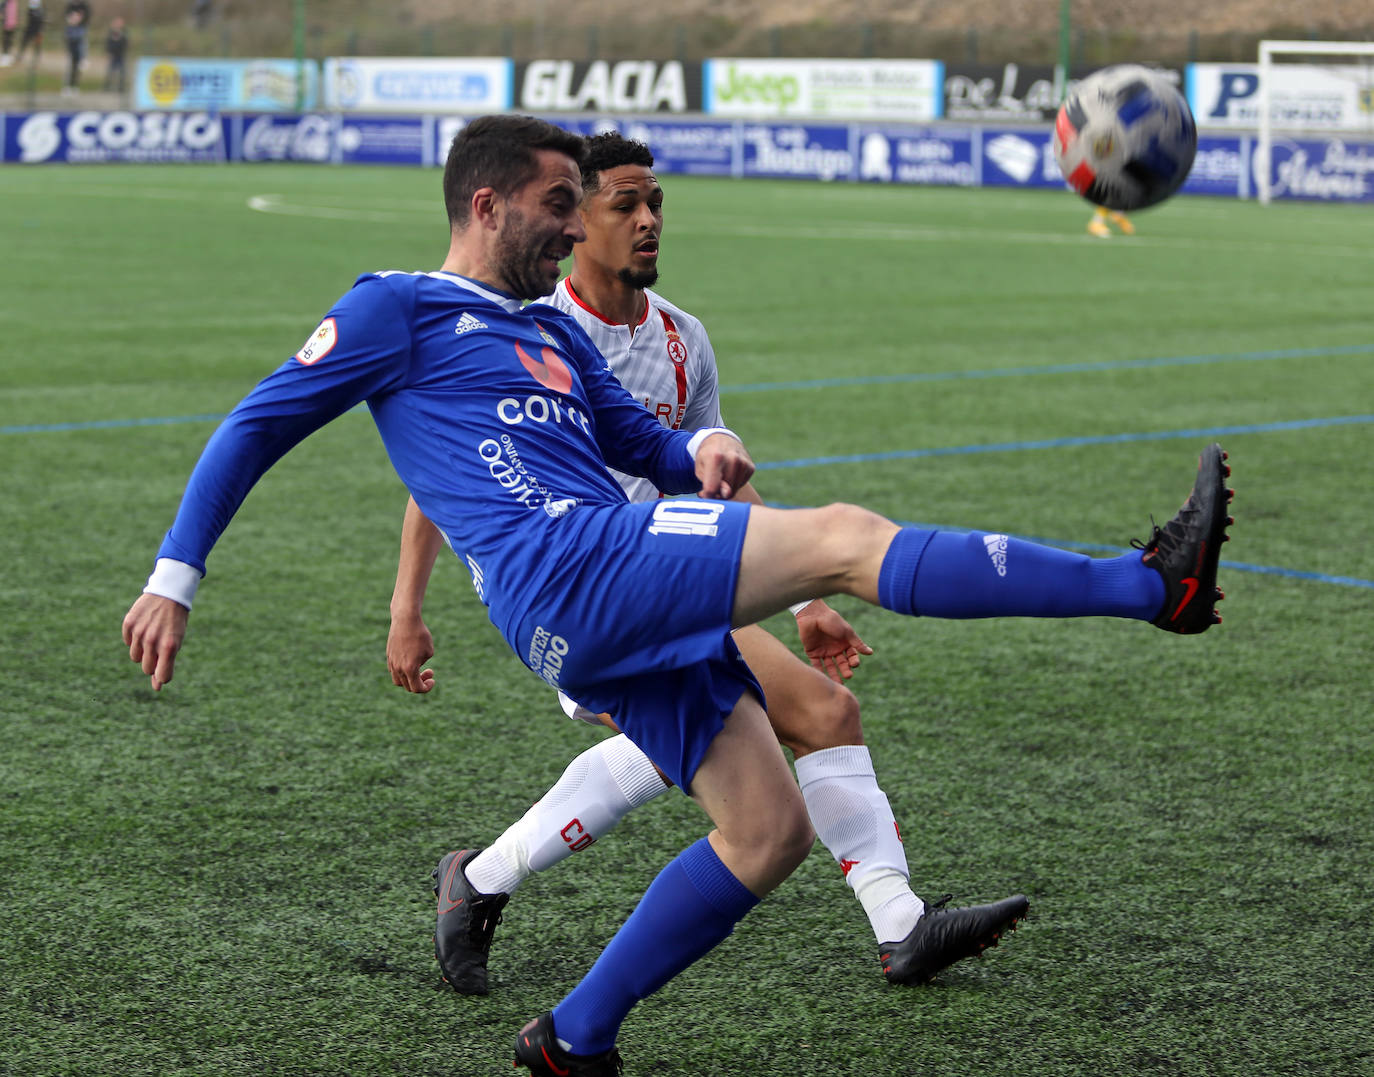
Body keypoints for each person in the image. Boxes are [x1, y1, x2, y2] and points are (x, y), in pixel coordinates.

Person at [121, 115, 1233, 1076]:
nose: (574, 225)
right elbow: (254, 425)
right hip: (571, 562)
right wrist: (176, 578)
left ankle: (575, 1038)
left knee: (766, 832)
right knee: (848, 541)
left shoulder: (553, 330)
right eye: (561, 205)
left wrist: (702, 449)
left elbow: (640, 441)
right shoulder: (396, 308)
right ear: (486, 200)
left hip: (593, 591)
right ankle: (1152, 586)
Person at [388, 131, 1001, 999]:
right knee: (785, 728)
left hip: (684, 573)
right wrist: (406, 608)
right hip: (575, 594)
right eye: (622, 206)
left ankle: (482, 879)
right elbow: (433, 482)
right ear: (572, 220)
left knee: (807, 716)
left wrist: (802, 603)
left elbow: (714, 473)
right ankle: (895, 922)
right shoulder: (526, 325)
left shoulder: (682, 339)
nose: (648, 221)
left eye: (656, 203)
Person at [61, 0, 89, 94]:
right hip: (72, 30)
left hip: (80, 29)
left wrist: (80, 18)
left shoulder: (84, 5)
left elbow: (87, 16)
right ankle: (67, 86)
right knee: (70, 65)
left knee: (77, 65)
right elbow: (66, 15)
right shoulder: (70, 5)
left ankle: (83, 58)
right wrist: (71, 19)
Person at [103, 13, 125, 92]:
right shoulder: (111, 33)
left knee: (122, 72)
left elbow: (126, 43)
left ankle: (121, 88)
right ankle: (106, 87)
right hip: (113, 55)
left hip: (120, 55)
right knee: (110, 72)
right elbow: (108, 43)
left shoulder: (124, 33)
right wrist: (108, 52)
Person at [1, 1, 20, 65]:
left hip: (13, 25)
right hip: (6, 25)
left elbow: (16, 14)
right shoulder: (5, 3)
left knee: (10, 41)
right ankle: (5, 55)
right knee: (6, 41)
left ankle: (8, 56)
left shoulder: (15, 3)